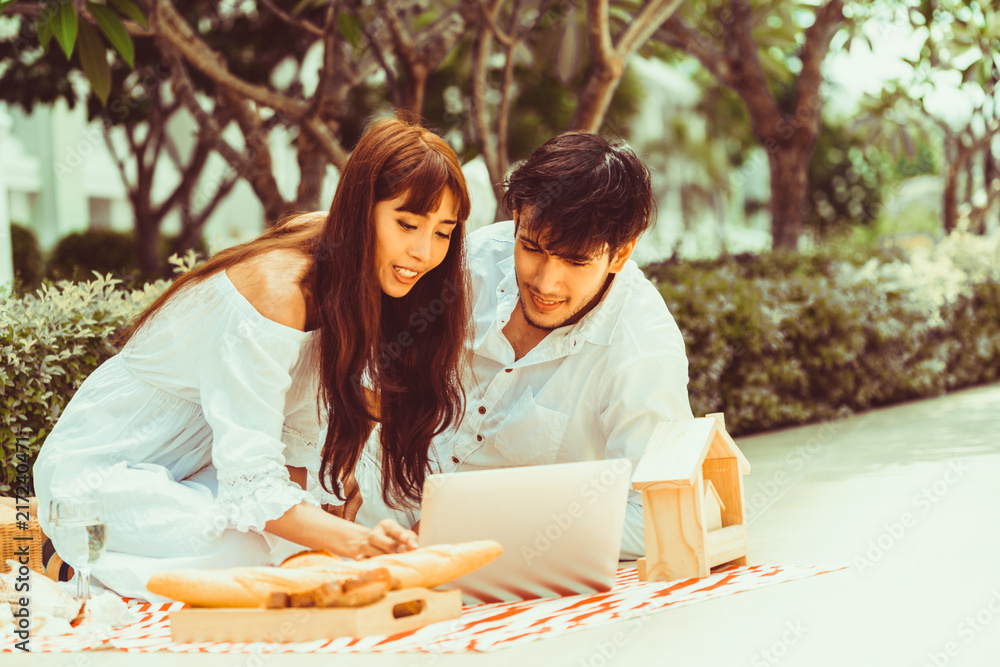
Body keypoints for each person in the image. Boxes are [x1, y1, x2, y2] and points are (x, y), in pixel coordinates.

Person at [32, 116, 472, 601]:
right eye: (407, 224)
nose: (423, 252)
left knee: (294, 531)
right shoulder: (279, 293)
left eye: (443, 232)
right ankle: (67, 554)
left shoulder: (353, 271)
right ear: (360, 211)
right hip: (105, 468)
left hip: (201, 465)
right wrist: (358, 543)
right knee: (250, 552)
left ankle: (97, 558)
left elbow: (279, 441)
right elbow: (253, 483)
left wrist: (327, 493)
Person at [355, 131, 693, 559]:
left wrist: (471, 530)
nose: (545, 283)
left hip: (475, 571)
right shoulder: (475, 259)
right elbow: (382, 372)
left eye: (575, 261)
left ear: (621, 254)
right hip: (352, 516)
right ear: (516, 216)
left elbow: (657, 517)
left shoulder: (642, 350)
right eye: (531, 247)